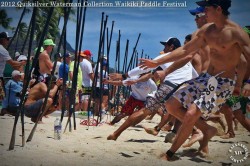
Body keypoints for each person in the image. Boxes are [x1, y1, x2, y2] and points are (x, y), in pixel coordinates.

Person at [139, 0, 250, 160]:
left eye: (207, 7)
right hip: (205, 79)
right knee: (171, 104)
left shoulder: (237, 33)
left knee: (193, 113)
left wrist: (245, 82)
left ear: (218, 9)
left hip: (223, 83)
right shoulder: (207, 30)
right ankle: (206, 129)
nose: (204, 11)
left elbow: (247, 58)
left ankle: (170, 154)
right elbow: (185, 50)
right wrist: (157, 62)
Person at [107, 37, 195, 141]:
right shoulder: (186, 60)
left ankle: (116, 134)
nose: (164, 48)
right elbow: (195, 75)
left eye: (165, 45)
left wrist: (124, 75)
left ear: (171, 47)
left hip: (171, 85)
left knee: (144, 111)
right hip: (187, 89)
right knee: (178, 112)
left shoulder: (167, 56)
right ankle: (198, 132)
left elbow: (145, 67)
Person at [0, 32, 25, 101]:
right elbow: (12, 63)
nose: (8, 41)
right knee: (1, 97)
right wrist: (22, 63)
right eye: (7, 39)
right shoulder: (2, 50)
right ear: (3, 39)